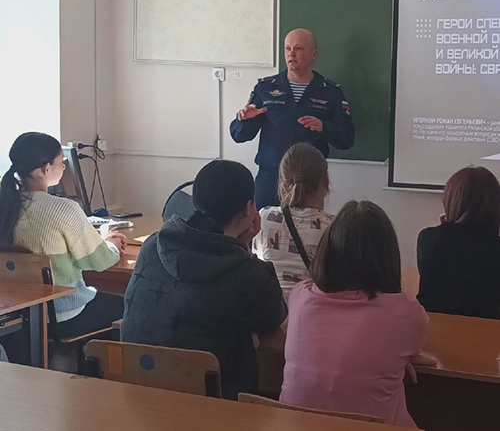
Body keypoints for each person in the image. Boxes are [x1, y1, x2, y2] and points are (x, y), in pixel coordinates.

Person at [120, 160, 288, 400]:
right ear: (249, 208)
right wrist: (243, 248)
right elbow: (273, 318)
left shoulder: (153, 245)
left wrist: (237, 246)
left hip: (140, 396)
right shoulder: (250, 273)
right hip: (212, 407)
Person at [280, 200, 430, 428]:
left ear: (328, 249)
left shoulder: (300, 296)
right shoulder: (407, 313)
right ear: (388, 256)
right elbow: (411, 346)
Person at [0, 132, 127, 339]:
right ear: (46, 168)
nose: (64, 167)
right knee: (131, 306)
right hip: (64, 315)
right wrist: (110, 245)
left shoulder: (6, 205)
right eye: (62, 162)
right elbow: (99, 261)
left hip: (17, 318)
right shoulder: (63, 209)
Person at [230, 28, 355, 209]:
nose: (291, 54)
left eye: (298, 48)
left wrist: (323, 127)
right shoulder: (265, 88)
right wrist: (243, 120)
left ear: (314, 55)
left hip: (309, 183)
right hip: (271, 179)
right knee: (264, 226)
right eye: (288, 48)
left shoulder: (330, 92)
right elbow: (239, 136)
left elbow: (347, 139)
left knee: (307, 228)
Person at [417, 166, 500, 319]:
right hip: (486, 330)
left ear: (450, 200)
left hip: (432, 326)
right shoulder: (494, 248)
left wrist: (445, 227)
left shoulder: (427, 238)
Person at [253, 143, 334, 291]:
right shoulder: (335, 228)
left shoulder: (264, 217)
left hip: (273, 304)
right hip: (311, 306)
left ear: (283, 184)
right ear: (326, 182)